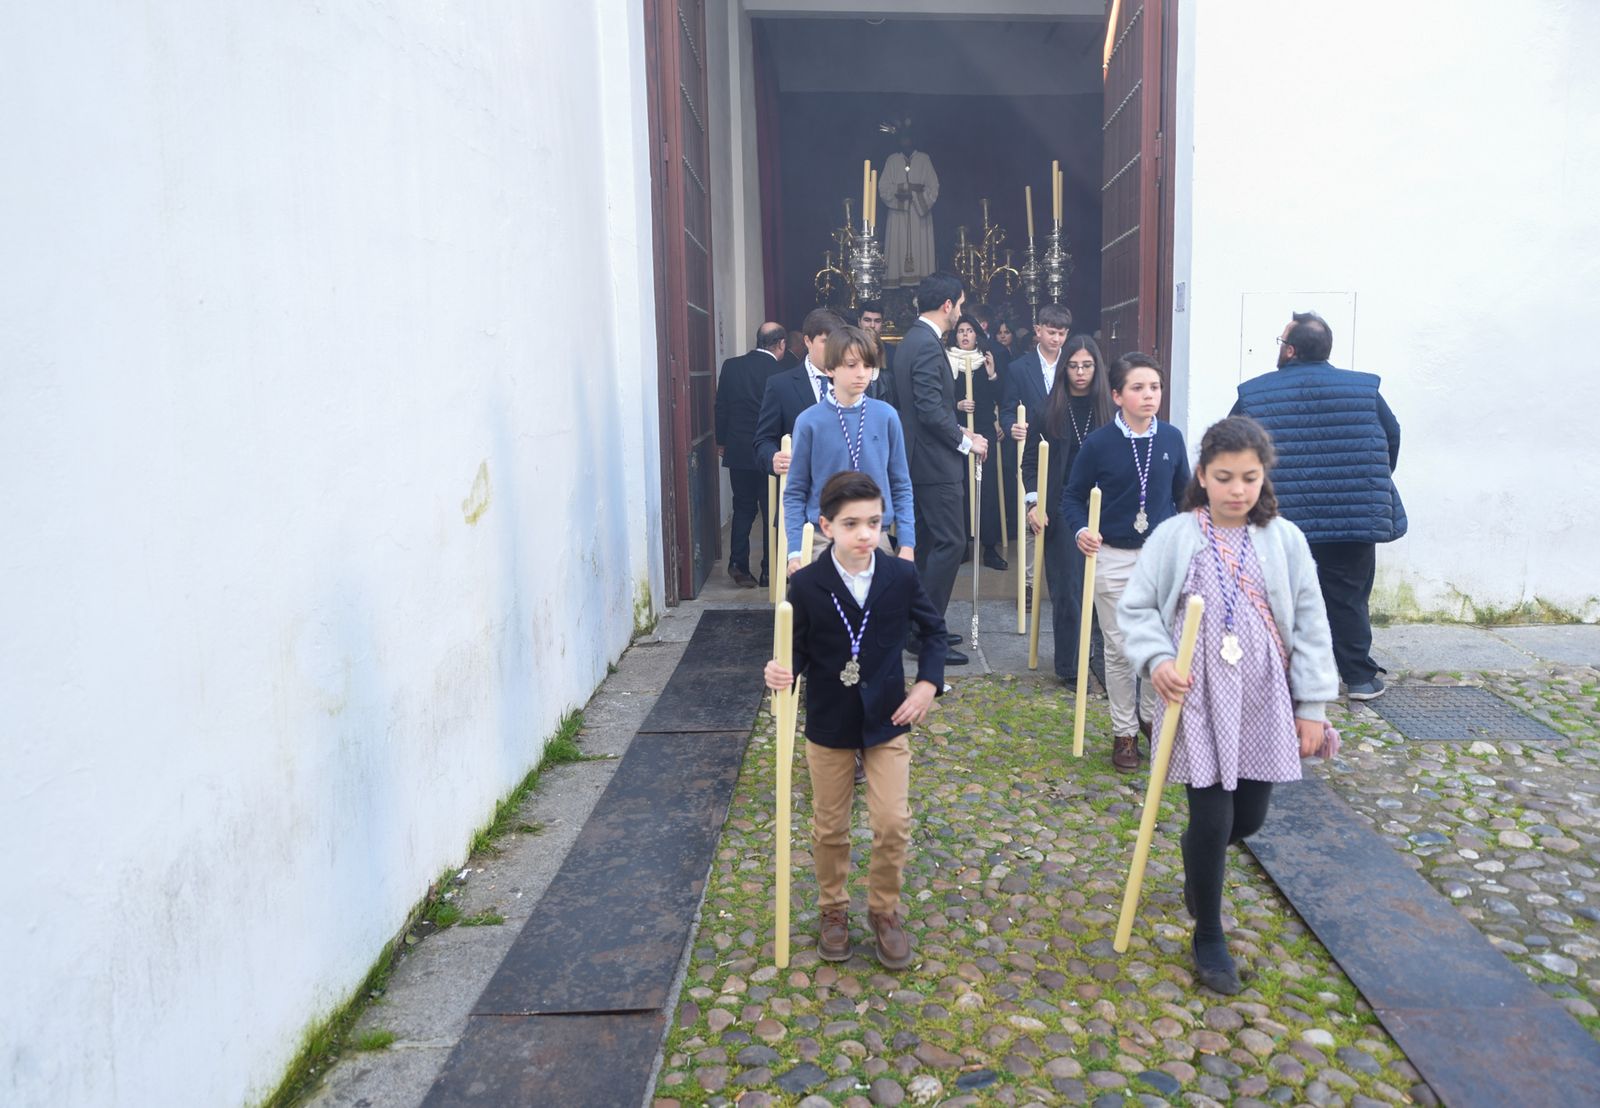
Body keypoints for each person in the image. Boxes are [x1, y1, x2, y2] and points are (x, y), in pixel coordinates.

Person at [1118, 416, 1338, 994]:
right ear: (1202, 476)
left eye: (1248, 477)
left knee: (1249, 819)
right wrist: (1158, 660)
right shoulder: (1175, 535)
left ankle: (1200, 858)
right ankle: (1209, 934)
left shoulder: (1284, 539)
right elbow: (1137, 609)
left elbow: (1312, 621)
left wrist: (1311, 703)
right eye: (1224, 477)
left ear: (1263, 477)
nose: (1237, 490)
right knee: (1212, 816)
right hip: (1198, 697)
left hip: (1263, 696)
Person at [764, 471, 946, 970]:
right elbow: (794, 651)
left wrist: (928, 684)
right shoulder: (805, 585)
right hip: (829, 721)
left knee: (892, 821)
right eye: (851, 524)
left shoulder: (900, 577)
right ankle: (833, 910)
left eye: (873, 521)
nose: (865, 534)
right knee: (830, 827)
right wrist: (780, 671)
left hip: (887, 719)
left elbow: (933, 633)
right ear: (826, 526)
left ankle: (884, 911)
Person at [1231, 312, 1404, 701]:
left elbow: (1232, 448)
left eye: (1280, 342)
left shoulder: (1256, 394)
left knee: (1281, 598)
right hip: (1352, 515)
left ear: (1290, 351)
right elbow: (1391, 439)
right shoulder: (1364, 390)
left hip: (1283, 520)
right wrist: (1364, 483)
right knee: (1348, 596)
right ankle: (1358, 676)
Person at [1062, 353, 1191, 771]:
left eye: (1154, 387)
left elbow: (1185, 496)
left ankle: (1152, 720)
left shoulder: (1171, 438)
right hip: (1113, 557)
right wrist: (1083, 530)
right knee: (1119, 649)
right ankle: (1124, 732)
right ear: (1117, 395)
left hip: (1159, 559)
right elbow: (1072, 495)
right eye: (1138, 388)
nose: (1148, 395)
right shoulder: (1099, 444)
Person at [891, 272, 988, 666]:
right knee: (950, 544)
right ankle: (924, 632)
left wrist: (961, 432)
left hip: (922, 460)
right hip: (934, 464)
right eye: (961, 305)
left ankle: (922, 624)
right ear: (947, 305)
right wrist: (967, 441)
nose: (960, 313)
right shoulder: (928, 346)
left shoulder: (913, 340)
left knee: (931, 545)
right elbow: (930, 410)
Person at [784, 325, 915, 572]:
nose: (862, 374)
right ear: (831, 368)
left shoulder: (886, 416)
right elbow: (795, 491)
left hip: (876, 536)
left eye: (867, 366)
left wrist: (907, 543)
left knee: (878, 609)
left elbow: (901, 483)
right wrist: (795, 551)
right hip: (824, 538)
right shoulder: (809, 421)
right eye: (852, 365)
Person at [1020, 334, 1112, 685]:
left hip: (1101, 506)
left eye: (1087, 366)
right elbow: (1031, 462)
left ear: (1096, 368)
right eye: (1073, 366)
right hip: (1060, 505)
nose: (1080, 373)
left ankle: (1105, 659)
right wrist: (1034, 502)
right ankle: (1071, 667)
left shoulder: (1109, 410)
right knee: (1068, 589)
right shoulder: (1048, 409)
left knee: (1105, 588)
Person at [1001, 304, 1072, 600]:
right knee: (1032, 514)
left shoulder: (1072, 365)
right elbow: (1007, 409)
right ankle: (1029, 584)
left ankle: (1064, 582)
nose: (1056, 339)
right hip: (1031, 448)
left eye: (1062, 333)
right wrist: (1011, 427)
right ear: (1038, 329)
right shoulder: (1019, 367)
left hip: (1066, 450)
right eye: (1052, 332)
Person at [714, 322, 788, 587]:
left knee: (743, 507)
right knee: (772, 512)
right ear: (781, 344)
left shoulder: (731, 367)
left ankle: (738, 565)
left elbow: (721, 407)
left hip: (739, 450)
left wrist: (721, 441)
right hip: (770, 454)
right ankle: (770, 570)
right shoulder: (783, 373)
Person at [754, 308, 844, 479]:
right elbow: (763, 441)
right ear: (807, 341)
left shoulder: (852, 382)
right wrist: (773, 457)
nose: (833, 349)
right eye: (825, 341)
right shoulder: (780, 385)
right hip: (801, 489)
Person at [948, 315, 1007, 570]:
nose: (964, 335)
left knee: (988, 487)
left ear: (976, 335)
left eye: (969, 330)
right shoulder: (947, 360)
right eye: (961, 330)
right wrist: (957, 404)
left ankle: (989, 547)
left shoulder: (987, 361)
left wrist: (993, 376)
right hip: (958, 431)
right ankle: (962, 545)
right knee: (960, 485)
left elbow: (1001, 397)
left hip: (983, 430)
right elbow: (939, 398)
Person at [878, 122, 940, 288]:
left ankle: (923, 285)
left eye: (908, 137)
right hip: (898, 213)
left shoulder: (924, 159)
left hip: (919, 213)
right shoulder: (892, 160)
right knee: (897, 246)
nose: (906, 141)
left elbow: (933, 187)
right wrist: (901, 193)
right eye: (903, 138)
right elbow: (883, 188)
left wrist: (915, 196)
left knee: (922, 250)